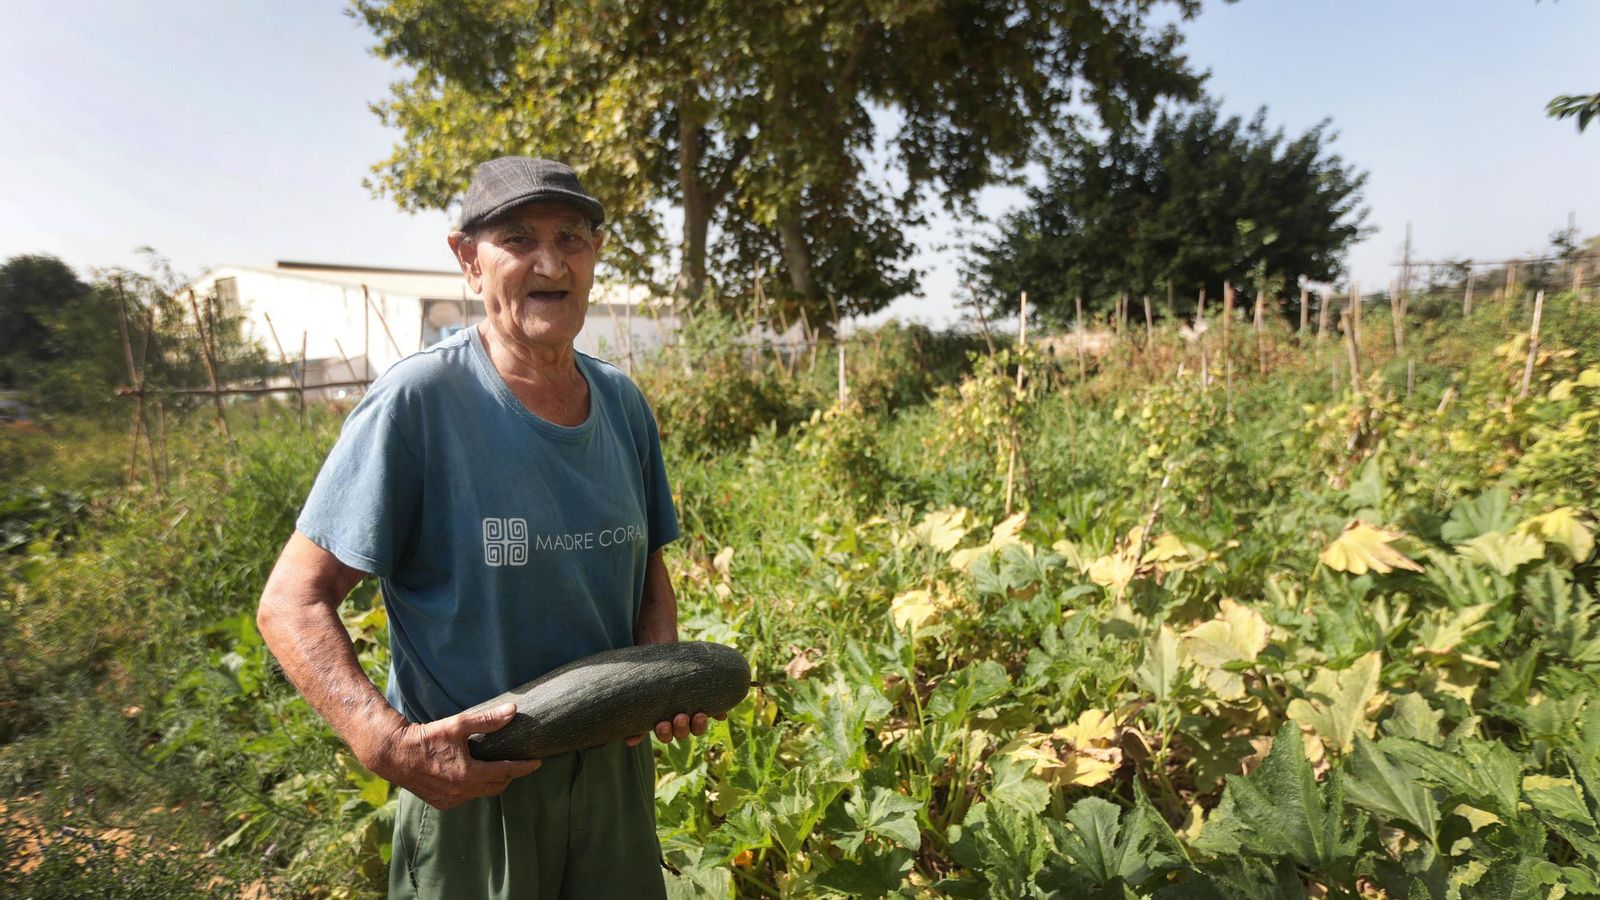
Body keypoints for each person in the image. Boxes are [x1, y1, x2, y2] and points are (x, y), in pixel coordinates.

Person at [256, 157, 707, 898]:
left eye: (572, 237)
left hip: (615, 788)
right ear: (468, 259)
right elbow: (290, 602)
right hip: (474, 793)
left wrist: (661, 675)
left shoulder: (623, 403)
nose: (550, 262)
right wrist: (387, 744)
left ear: (595, 254)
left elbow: (647, 565)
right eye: (518, 238)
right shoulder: (420, 402)